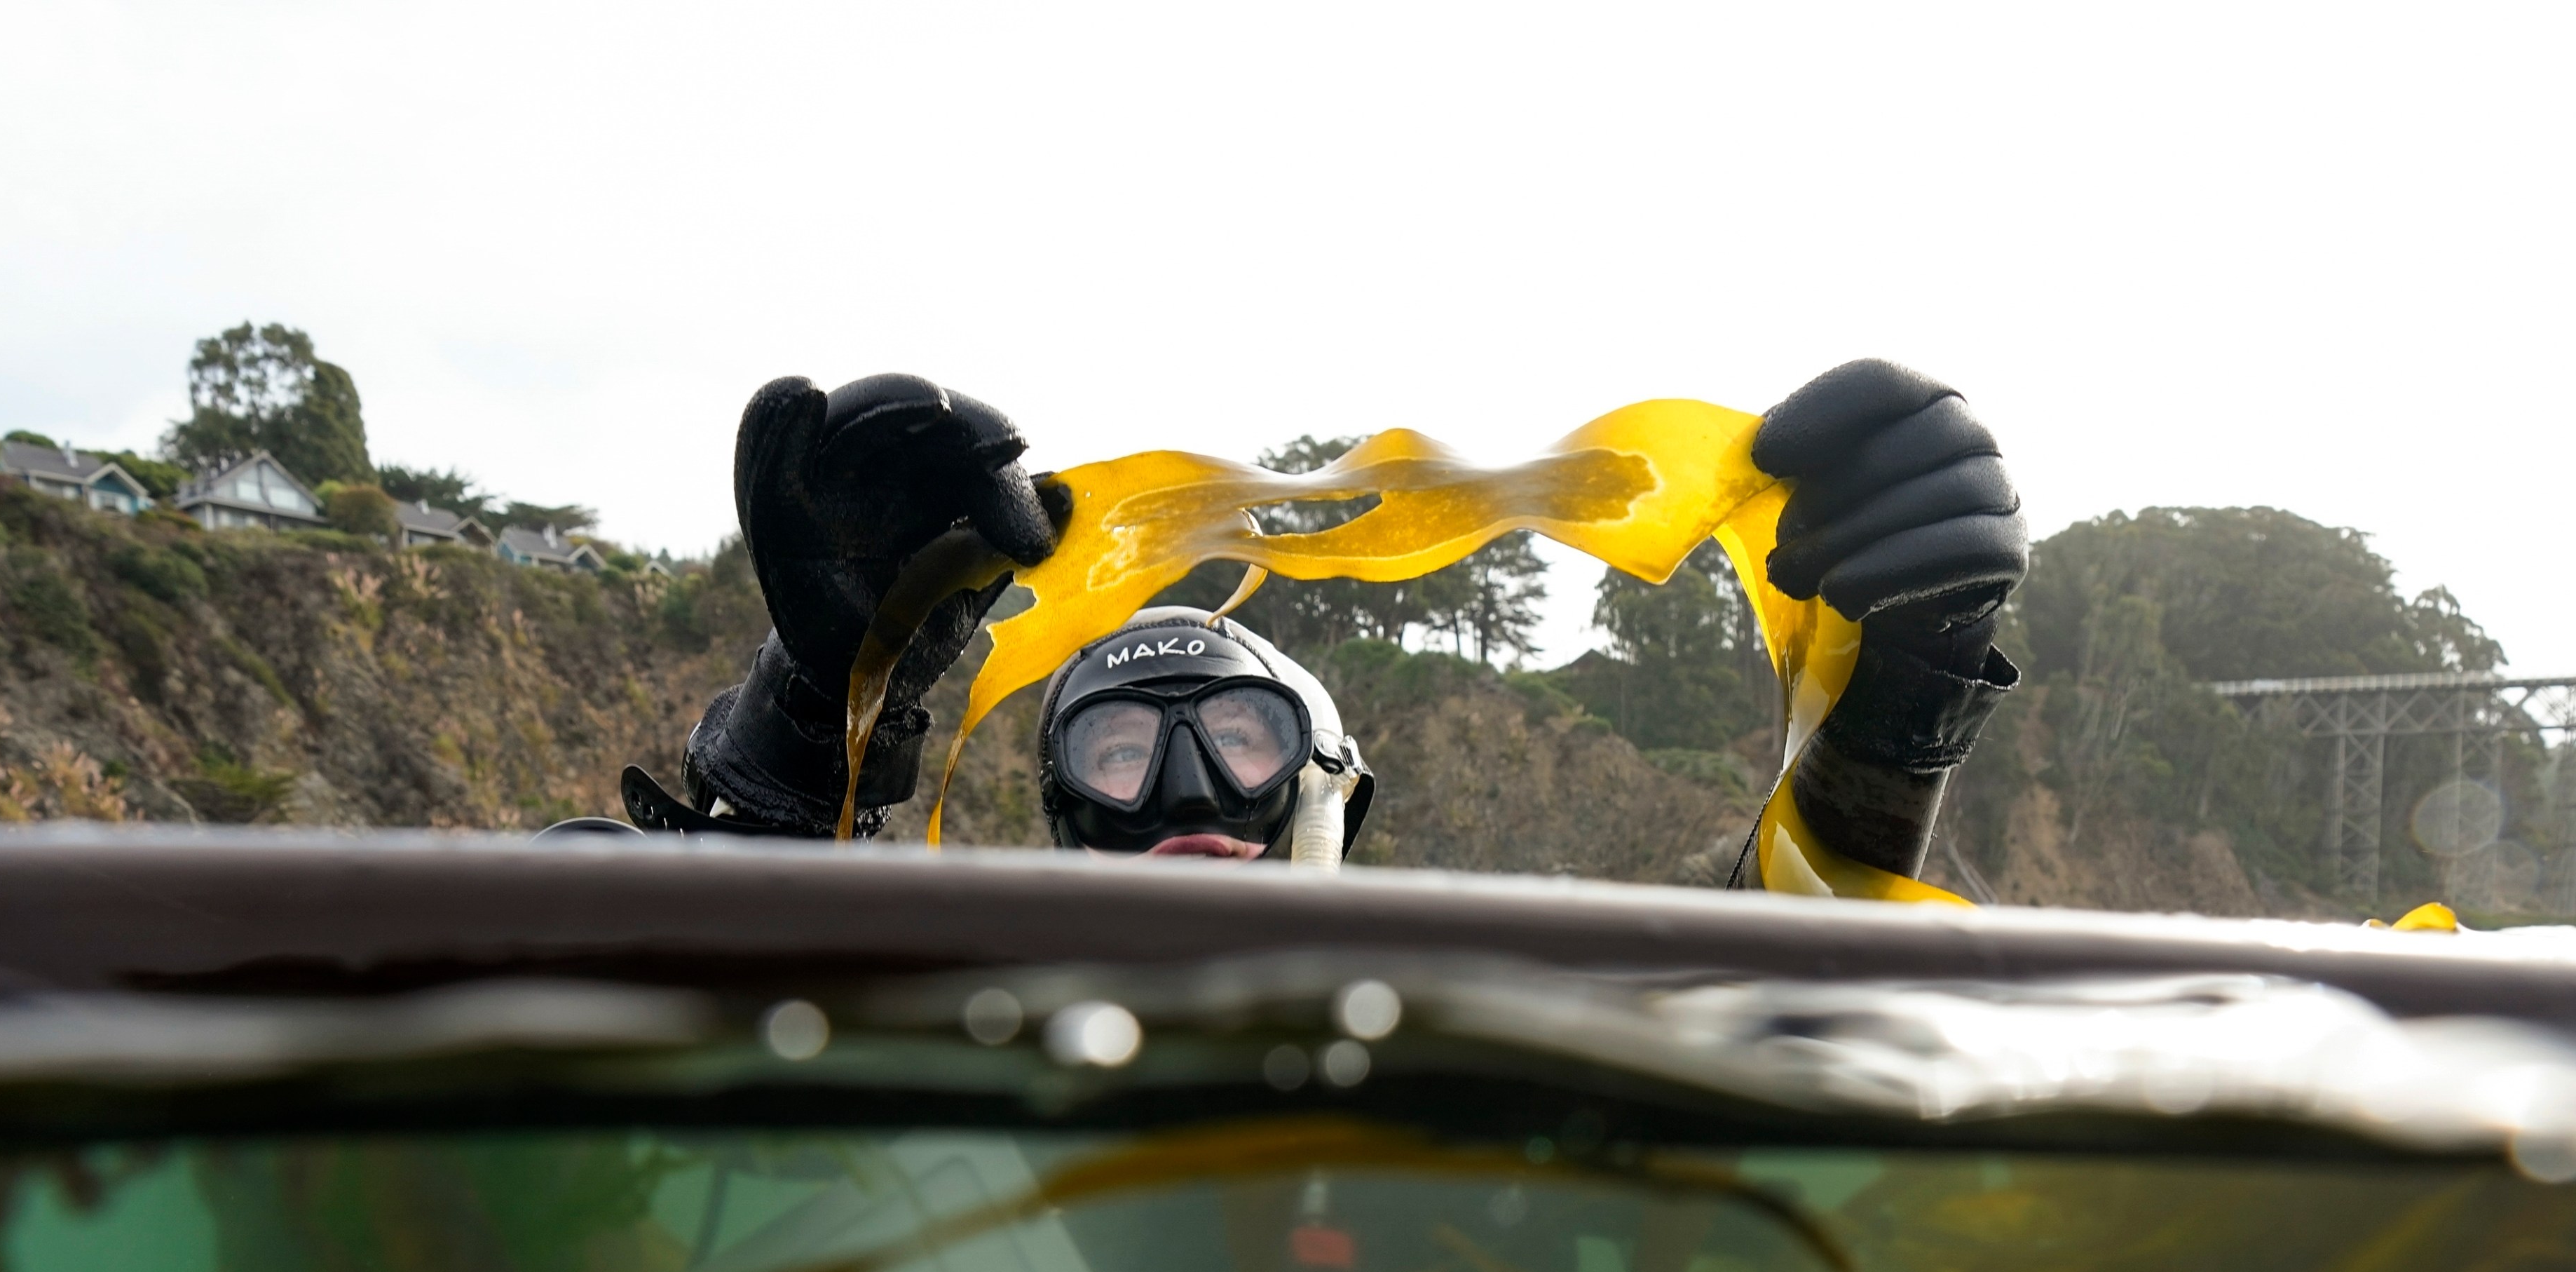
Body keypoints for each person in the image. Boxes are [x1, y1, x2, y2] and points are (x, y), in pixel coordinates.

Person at [619, 360, 2025, 885]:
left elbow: (1792, 978)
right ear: (1056, 817)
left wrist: (1898, 695)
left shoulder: (1493, 1033)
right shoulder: (974, 1041)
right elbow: (706, 1029)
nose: (1183, 791)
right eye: (1114, 755)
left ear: (1339, 789)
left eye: (1240, 736)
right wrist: (812, 732)